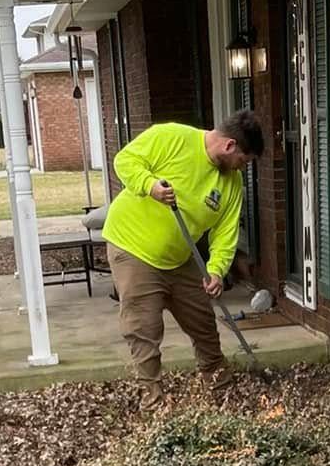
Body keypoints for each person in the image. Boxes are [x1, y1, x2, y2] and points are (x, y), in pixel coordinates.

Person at [102, 111, 265, 396]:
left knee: (203, 323)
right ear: (229, 146)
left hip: (180, 258)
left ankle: (220, 389)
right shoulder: (171, 137)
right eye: (243, 161)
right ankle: (153, 403)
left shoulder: (231, 183)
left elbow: (226, 233)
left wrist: (216, 270)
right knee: (144, 329)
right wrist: (150, 186)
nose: (242, 169)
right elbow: (125, 161)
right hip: (133, 248)